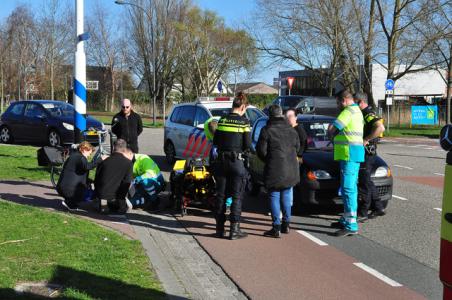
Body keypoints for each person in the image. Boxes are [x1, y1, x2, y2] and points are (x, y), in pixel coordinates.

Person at [257, 104, 300, 238]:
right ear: (281, 114)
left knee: (274, 195)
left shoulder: (266, 130)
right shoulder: (291, 130)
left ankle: (276, 227)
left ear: (269, 116)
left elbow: (261, 151)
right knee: (286, 194)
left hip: (274, 167)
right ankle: (286, 224)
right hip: (291, 167)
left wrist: (269, 160)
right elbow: (297, 148)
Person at [213, 92, 251, 240]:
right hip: (236, 163)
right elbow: (247, 145)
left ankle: (219, 229)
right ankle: (234, 230)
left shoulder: (222, 120)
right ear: (242, 107)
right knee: (236, 196)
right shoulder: (244, 122)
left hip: (222, 162)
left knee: (221, 195)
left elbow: (216, 141)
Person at [328, 90, 365, 237]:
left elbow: (332, 128)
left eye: (338, 102)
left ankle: (351, 224)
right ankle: (347, 218)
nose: (338, 105)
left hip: (348, 154)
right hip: (354, 154)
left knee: (348, 189)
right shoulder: (357, 111)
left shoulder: (348, 111)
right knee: (351, 189)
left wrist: (331, 138)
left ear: (344, 100)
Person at [354, 92, 386, 221]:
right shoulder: (364, 113)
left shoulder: (367, 113)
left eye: (355, 103)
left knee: (364, 183)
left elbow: (380, 128)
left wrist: (366, 139)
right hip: (368, 152)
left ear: (361, 102)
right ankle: (378, 207)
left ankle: (363, 212)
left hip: (367, 152)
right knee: (367, 180)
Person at [57, 141, 101, 210]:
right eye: (89, 152)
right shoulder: (80, 158)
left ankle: (71, 202)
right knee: (91, 195)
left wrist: (89, 180)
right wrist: (99, 160)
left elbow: (77, 173)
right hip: (69, 189)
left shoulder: (73, 156)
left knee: (85, 187)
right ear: (84, 149)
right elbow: (87, 166)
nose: (90, 155)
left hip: (61, 187)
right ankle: (70, 202)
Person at [94, 139, 134, 214]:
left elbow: (97, 179)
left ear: (113, 148)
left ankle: (104, 205)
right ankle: (120, 206)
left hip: (101, 194)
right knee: (126, 206)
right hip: (117, 196)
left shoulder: (104, 161)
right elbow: (127, 182)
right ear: (125, 149)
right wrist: (121, 199)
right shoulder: (128, 163)